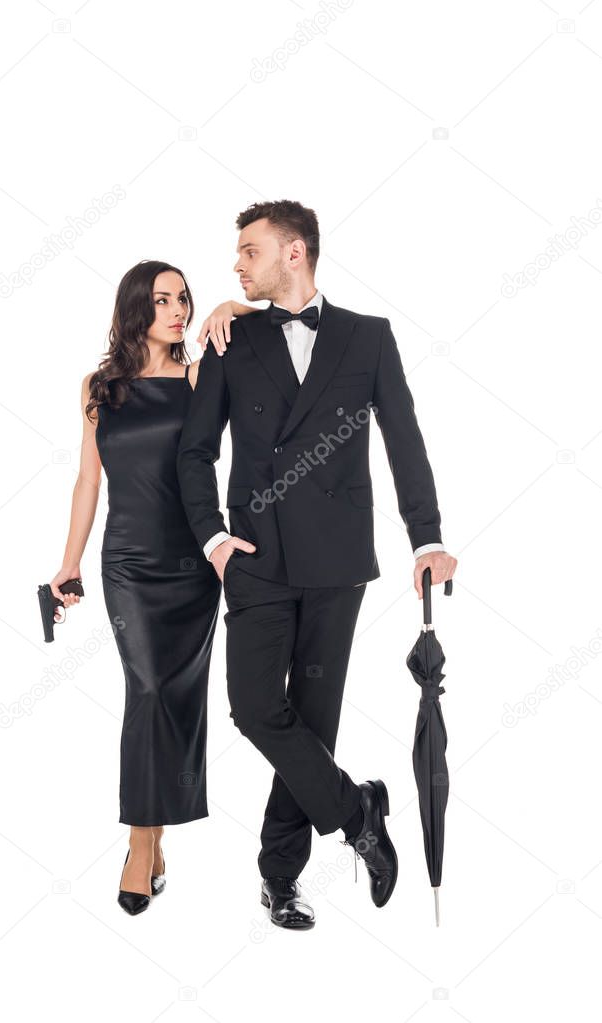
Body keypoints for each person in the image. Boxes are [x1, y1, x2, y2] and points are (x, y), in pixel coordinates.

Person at [177, 201, 458, 930]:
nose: (236, 263)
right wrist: (212, 538)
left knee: (310, 722)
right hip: (256, 558)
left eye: (248, 250)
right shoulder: (231, 338)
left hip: (337, 563)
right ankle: (357, 810)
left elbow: (404, 439)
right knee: (253, 708)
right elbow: (194, 450)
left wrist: (424, 538)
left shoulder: (367, 337)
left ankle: (279, 877)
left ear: (292, 252)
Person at [49, 259, 258, 915]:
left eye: (185, 300)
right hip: (129, 563)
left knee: (178, 695)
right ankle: (142, 846)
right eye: (162, 299)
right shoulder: (98, 388)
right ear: (135, 307)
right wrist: (68, 563)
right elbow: (89, 482)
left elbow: (281, 327)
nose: (177, 310)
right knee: (147, 687)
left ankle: (152, 841)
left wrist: (235, 307)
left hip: (193, 561)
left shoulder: (201, 377)